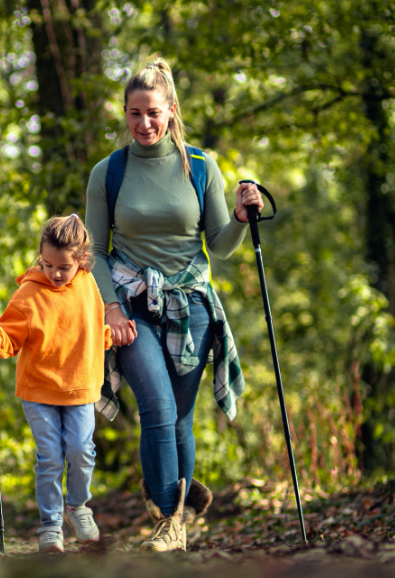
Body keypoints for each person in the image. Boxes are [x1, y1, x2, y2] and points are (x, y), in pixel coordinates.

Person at [85, 58, 263, 552]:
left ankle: (176, 522)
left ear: (171, 111)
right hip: (133, 304)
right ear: (124, 113)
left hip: (193, 305)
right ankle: (169, 518)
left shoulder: (201, 166)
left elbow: (220, 246)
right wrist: (111, 309)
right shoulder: (109, 172)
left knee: (181, 418)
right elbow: (94, 252)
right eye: (135, 113)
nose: (144, 123)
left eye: (154, 113)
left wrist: (243, 218)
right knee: (157, 408)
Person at [0, 214, 112, 554]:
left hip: (80, 387)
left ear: (81, 260)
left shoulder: (88, 285)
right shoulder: (28, 294)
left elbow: (94, 325)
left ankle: (78, 506)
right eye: (48, 264)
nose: (55, 273)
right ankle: (51, 525)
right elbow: (9, 337)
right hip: (39, 391)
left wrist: (111, 336)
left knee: (81, 451)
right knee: (50, 457)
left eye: (63, 267)